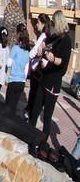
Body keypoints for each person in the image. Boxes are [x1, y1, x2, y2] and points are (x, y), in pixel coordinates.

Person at [29, 10, 72, 138]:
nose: (52, 24)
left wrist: (52, 58)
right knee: (35, 108)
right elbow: (45, 45)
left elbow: (62, 62)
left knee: (47, 116)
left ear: (58, 22)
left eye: (53, 22)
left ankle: (42, 142)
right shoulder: (54, 36)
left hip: (53, 82)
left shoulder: (66, 40)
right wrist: (42, 47)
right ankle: (29, 133)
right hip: (44, 78)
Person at [26, 13, 50, 116]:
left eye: (38, 23)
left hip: (37, 69)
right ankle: (30, 111)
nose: (36, 25)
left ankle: (29, 113)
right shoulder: (46, 36)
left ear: (43, 24)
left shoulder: (43, 36)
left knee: (33, 92)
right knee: (35, 92)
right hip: (40, 68)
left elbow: (33, 52)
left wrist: (28, 54)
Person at [5, 25, 31, 117]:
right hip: (21, 82)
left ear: (18, 34)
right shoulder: (27, 51)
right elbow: (26, 69)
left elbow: (9, 64)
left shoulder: (15, 48)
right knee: (14, 106)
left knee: (8, 106)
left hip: (13, 80)